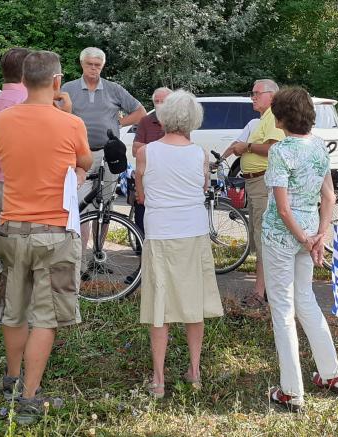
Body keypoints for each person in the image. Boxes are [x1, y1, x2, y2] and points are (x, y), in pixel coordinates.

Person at [0, 50, 92, 425]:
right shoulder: (70, 124)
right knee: (45, 317)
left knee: (14, 310)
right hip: (54, 231)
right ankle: (30, 398)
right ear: (56, 82)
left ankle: (12, 378)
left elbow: (4, 158)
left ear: (22, 80)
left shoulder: (3, 119)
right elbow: (84, 163)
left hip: (11, 228)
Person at [135, 90, 224, 398]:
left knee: (160, 305)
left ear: (163, 117)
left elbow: (141, 195)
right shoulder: (200, 153)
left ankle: (158, 379)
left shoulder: (145, 152)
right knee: (193, 302)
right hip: (193, 232)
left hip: (160, 233)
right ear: (193, 120)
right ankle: (195, 371)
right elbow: (203, 188)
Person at [261, 87, 338, 412]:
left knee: (283, 311)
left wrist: (307, 239)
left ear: (281, 119)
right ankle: (331, 372)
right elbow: (330, 198)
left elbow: (282, 208)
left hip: (282, 237)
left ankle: (291, 391)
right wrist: (319, 235)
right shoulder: (319, 147)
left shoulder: (281, 151)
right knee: (306, 299)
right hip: (309, 231)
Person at [0, 47, 32, 329]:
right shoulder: (24, 100)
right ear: (26, 72)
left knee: (4, 251)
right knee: (23, 251)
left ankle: (1, 313)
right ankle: (17, 314)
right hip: (16, 186)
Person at [61, 47, 146, 217]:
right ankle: (82, 244)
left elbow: (140, 112)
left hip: (108, 154)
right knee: (79, 204)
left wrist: (118, 122)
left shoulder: (113, 88)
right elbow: (56, 116)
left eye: (97, 65)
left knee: (105, 204)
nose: (93, 68)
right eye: (89, 64)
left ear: (103, 66)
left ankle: (99, 243)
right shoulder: (69, 88)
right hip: (79, 154)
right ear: (81, 64)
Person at [224, 79, 285, 308]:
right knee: (260, 236)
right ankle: (265, 289)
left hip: (262, 183)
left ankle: (260, 292)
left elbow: (273, 148)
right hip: (254, 183)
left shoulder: (272, 117)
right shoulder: (263, 119)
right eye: (252, 93)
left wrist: (246, 148)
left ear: (271, 95)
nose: (253, 97)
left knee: (262, 238)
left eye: (256, 93)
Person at [130, 87, 172, 233]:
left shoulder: (178, 122)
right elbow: (135, 150)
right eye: (156, 101)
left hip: (170, 177)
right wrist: (165, 149)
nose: (159, 104)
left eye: (163, 101)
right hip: (148, 176)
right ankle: (141, 246)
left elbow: (180, 150)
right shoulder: (145, 121)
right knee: (141, 209)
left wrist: (148, 149)